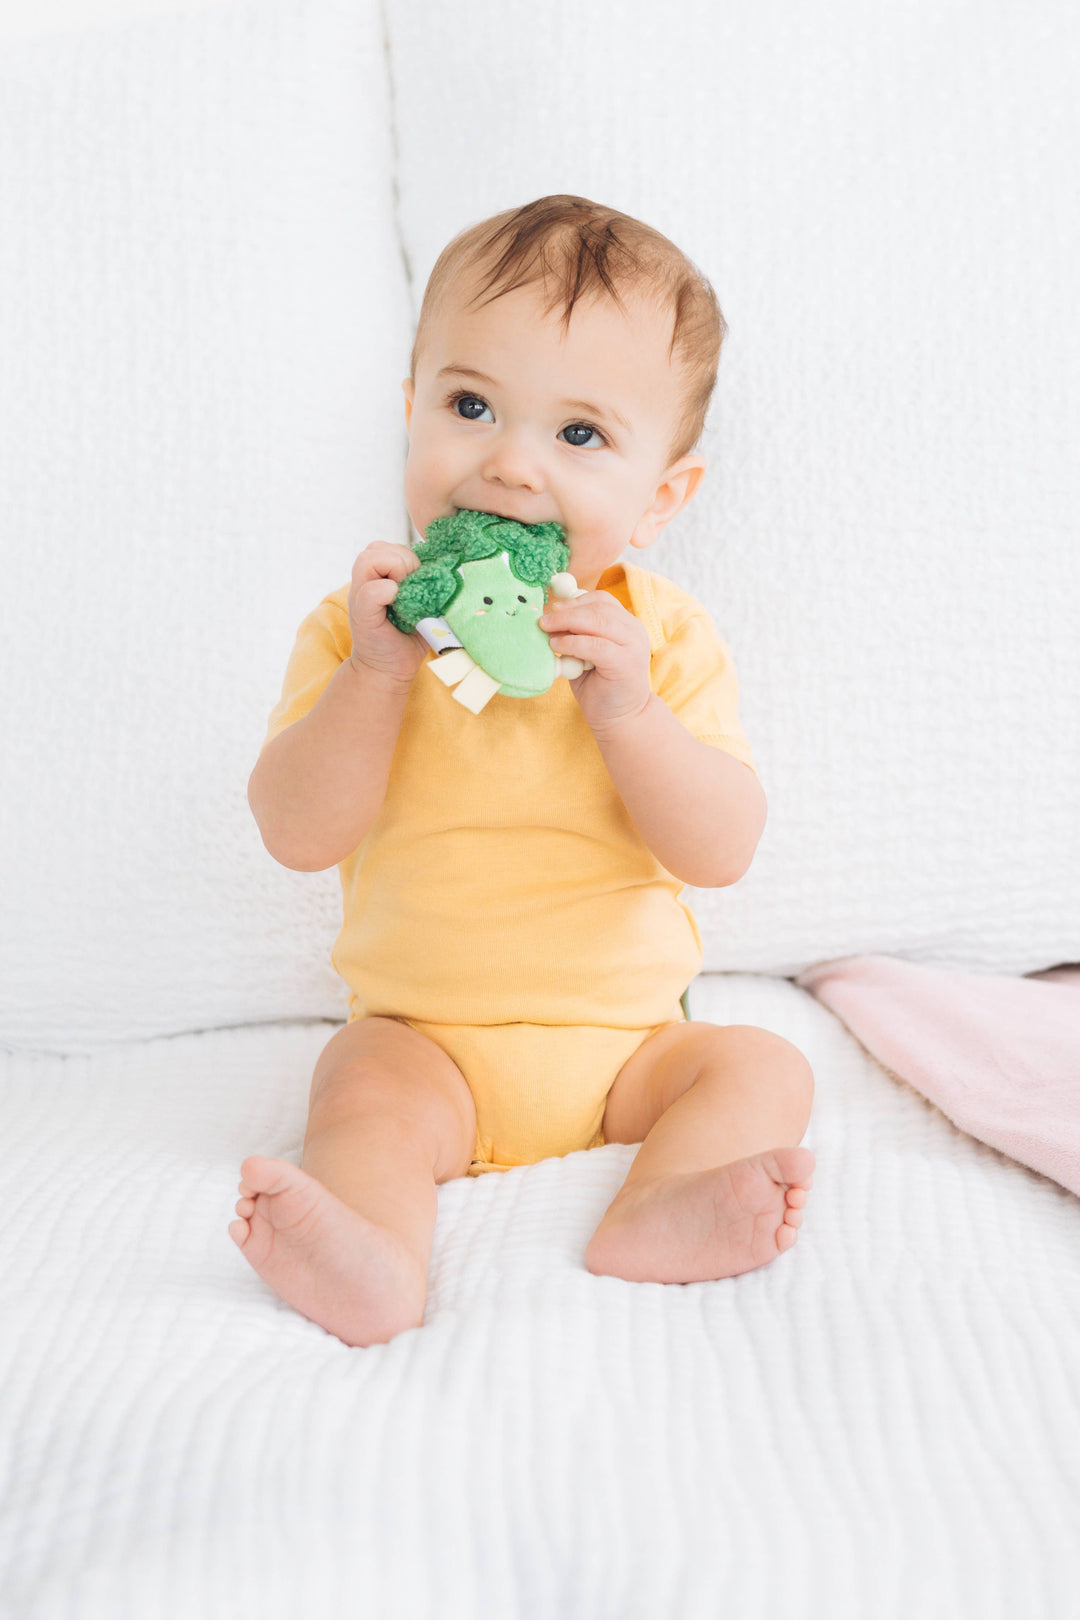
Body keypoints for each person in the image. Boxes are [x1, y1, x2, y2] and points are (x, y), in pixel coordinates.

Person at [229, 195, 816, 1348]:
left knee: (760, 1064)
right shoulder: (360, 630)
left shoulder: (665, 641)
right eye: (469, 405)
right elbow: (297, 831)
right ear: (410, 417)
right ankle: (372, 1252)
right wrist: (379, 679)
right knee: (357, 1086)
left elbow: (722, 847)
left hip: (630, 1051)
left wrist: (631, 712)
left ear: (661, 499)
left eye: (580, 435)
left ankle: (661, 1205)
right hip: (425, 1040)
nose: (508, 464)